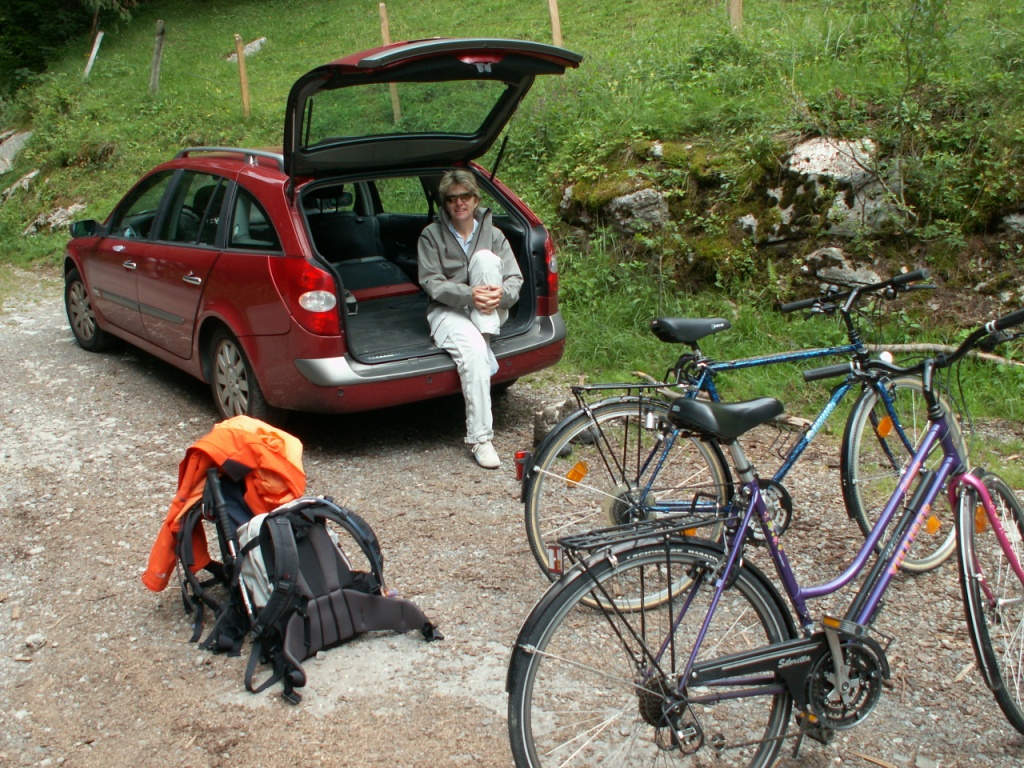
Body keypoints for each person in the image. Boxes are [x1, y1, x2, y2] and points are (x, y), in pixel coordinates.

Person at [418, 169, 523, 469]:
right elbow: (431, 283)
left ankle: (483, 340)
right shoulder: (431, 235)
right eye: (452, 198)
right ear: (445, 203)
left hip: (489, 310)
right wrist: (469, 295)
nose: (459, 203)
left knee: (486, 259)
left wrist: (501, 295)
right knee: (475, 354)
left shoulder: (494, 234)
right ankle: (481, 440)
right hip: (447, 311)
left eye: (465, 196)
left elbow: (514, 279)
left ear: (476, 200)